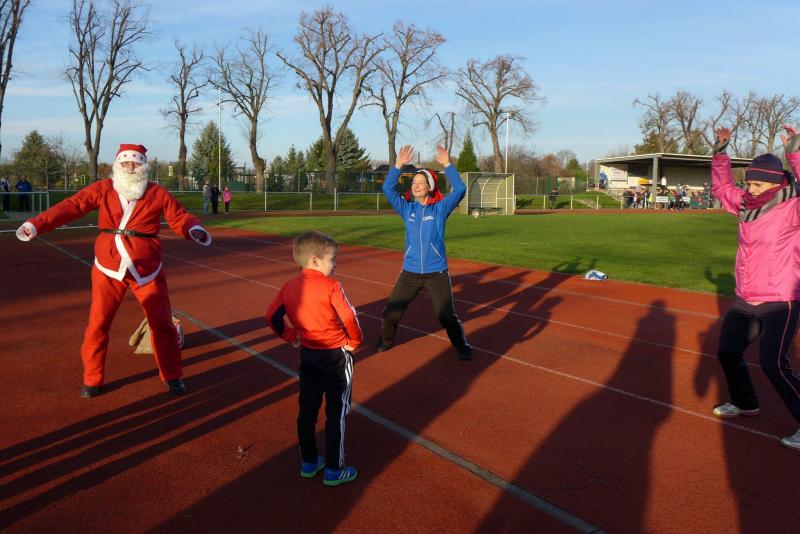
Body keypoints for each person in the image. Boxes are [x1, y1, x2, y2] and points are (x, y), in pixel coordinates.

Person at [16, 144, 212, 398]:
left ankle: (172, 375)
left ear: (143, 166)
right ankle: (92, 378)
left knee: (162, 324)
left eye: (136, 163)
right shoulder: (103, 188)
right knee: (98, 324)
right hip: (108, 266)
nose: (130, 167)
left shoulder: (157, 193)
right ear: (117, 165)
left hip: (147, 269)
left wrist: (193, 229)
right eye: (125, 163)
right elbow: (72, 206)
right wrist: (36, 224)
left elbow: (179, 217)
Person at [710, 124, 800, 450]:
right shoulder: (745, 203)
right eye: (748, 182)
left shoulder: (793, 206)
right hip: (746, 297)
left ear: (775, 183)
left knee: (774, 365)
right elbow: (722, 187)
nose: (749, 188)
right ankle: (744, 401)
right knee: (727, 352)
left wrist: (795, 152)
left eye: (757, 183)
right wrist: (721, 151)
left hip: (781, 299)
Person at [265, 230, 362, 486]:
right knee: (336, 412)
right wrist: (354, 342)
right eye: (332, 259)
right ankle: (334, 469)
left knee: (307, 411)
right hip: (336, 357)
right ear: (316, 260)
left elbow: (271, 316)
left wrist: (290, 335)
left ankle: (309, 461)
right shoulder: (332, 286)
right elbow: (349, 316)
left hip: (308, 357)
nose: (335, 264)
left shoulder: (289, 287)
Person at [376, 144, 472, 360]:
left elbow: (459, 190)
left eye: (421, 182)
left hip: (436, 273)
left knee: (445, 316)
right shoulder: (407, 208)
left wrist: (447, 165)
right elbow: (388, 189)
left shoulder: (440, 209)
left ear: (430, 187)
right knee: (391, 312)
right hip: (410, 273)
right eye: (414, 183)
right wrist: (398, 166)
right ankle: (385, 340)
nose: (416, 185)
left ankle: (462, 346)